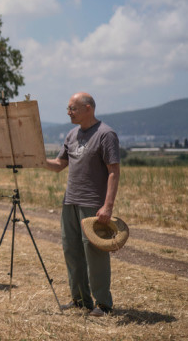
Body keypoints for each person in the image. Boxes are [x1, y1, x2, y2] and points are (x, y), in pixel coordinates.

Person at [45, 92, 121, 317]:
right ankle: (80, 300)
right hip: (70, 201)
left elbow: (114, 171)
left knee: (95, 254)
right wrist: (38, 159)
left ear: (88, 108)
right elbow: (59, 165)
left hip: (93, 205)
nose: (69, 113)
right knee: (72, 250)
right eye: (68, 109)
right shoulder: (71, 134)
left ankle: (103, 304)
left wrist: (108, 206)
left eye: (73, 108)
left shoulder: (106, 134)